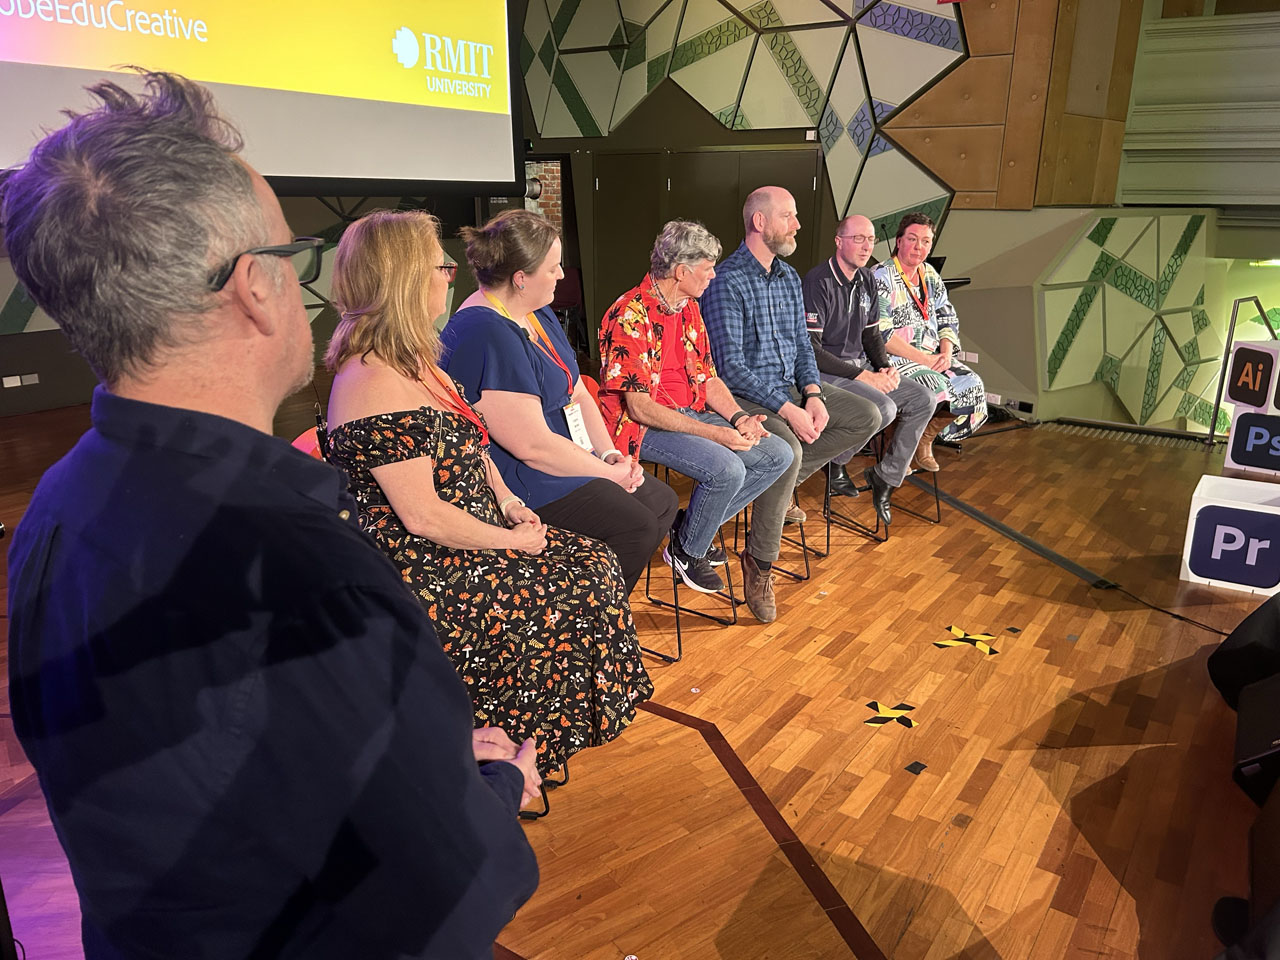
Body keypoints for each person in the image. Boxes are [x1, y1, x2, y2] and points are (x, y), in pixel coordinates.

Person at [1, 71, 537, 959]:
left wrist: (420, 760)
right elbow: (450, 889)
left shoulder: (56, 508)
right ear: (254, 285)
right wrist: (494, 782)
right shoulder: (299, 569)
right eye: (293, 256)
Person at [323, 209, 652, 776]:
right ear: (404, 279)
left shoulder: (414, 359)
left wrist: (508, 502)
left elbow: (473, 443)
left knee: (596, 561)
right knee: (582, 580)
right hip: (422, 564)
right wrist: (510, 541)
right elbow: (421, 517)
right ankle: (505, 758)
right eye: (442, 267)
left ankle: (528, 746)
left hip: (471, 530)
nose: (451, 277)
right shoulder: (370, 377)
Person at [440, 209, 678, 593]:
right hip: (525, 478)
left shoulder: (537, 312)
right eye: (554, 268)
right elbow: (532, 447)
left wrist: (608, 455)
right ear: (521, 278)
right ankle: (584, 613)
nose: (562, 275)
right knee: (636, 526)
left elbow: (578, 390)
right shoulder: (486, 332)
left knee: (663, 502)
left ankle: (599, 604)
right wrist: (608, 475)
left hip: (566, 455)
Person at [700, 186, 882, 622]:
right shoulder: (726, 280)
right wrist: (788, 409)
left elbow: (803, 347)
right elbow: (731, 367)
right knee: (790, 449)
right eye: (788, 216)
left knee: (867, 415)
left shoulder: (787, 277)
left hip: (790, 388)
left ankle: (771, 490)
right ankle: (760, 562)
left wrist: (813, 393)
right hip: (746, 396)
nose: (797, 225)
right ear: (759, 222)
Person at [597, 220, 794, 594]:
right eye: (707, 268)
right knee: (727, 469)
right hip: (642, 427)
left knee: (778, 455)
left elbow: (709, 378)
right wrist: (715, 433)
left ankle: (689, 527)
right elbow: (639, 408)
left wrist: (739, 418)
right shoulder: (630, 314)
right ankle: (688, 551)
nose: (713, 275)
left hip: (690, 413)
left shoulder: (688, 308)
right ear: (681, 271)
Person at [802, 215, 938, 503]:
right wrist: (865, 377)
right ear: (839, 242)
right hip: (826, 371)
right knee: (884, 409)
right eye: (858, 239)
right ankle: (835, 462)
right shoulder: (817, 281)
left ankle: (886, 477)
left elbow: (872, 336)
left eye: (871, 240)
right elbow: (812, 352)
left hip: (860, 365)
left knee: (924, 399)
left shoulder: (866, 279)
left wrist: (885, 368)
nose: (866, 247)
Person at [873, 212, 988, 443]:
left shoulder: (930, 274)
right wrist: (924, 360)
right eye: (912, 239)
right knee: (938, 385)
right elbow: (882, 335)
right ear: (899, 241)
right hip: (894, 359)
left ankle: (926, 439)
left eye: (926, 241)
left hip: (931, 356)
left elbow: (947, 316)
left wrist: (945, 354)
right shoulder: (881, 275)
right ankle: (897, 443)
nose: (919, 247)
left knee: (971, 383)